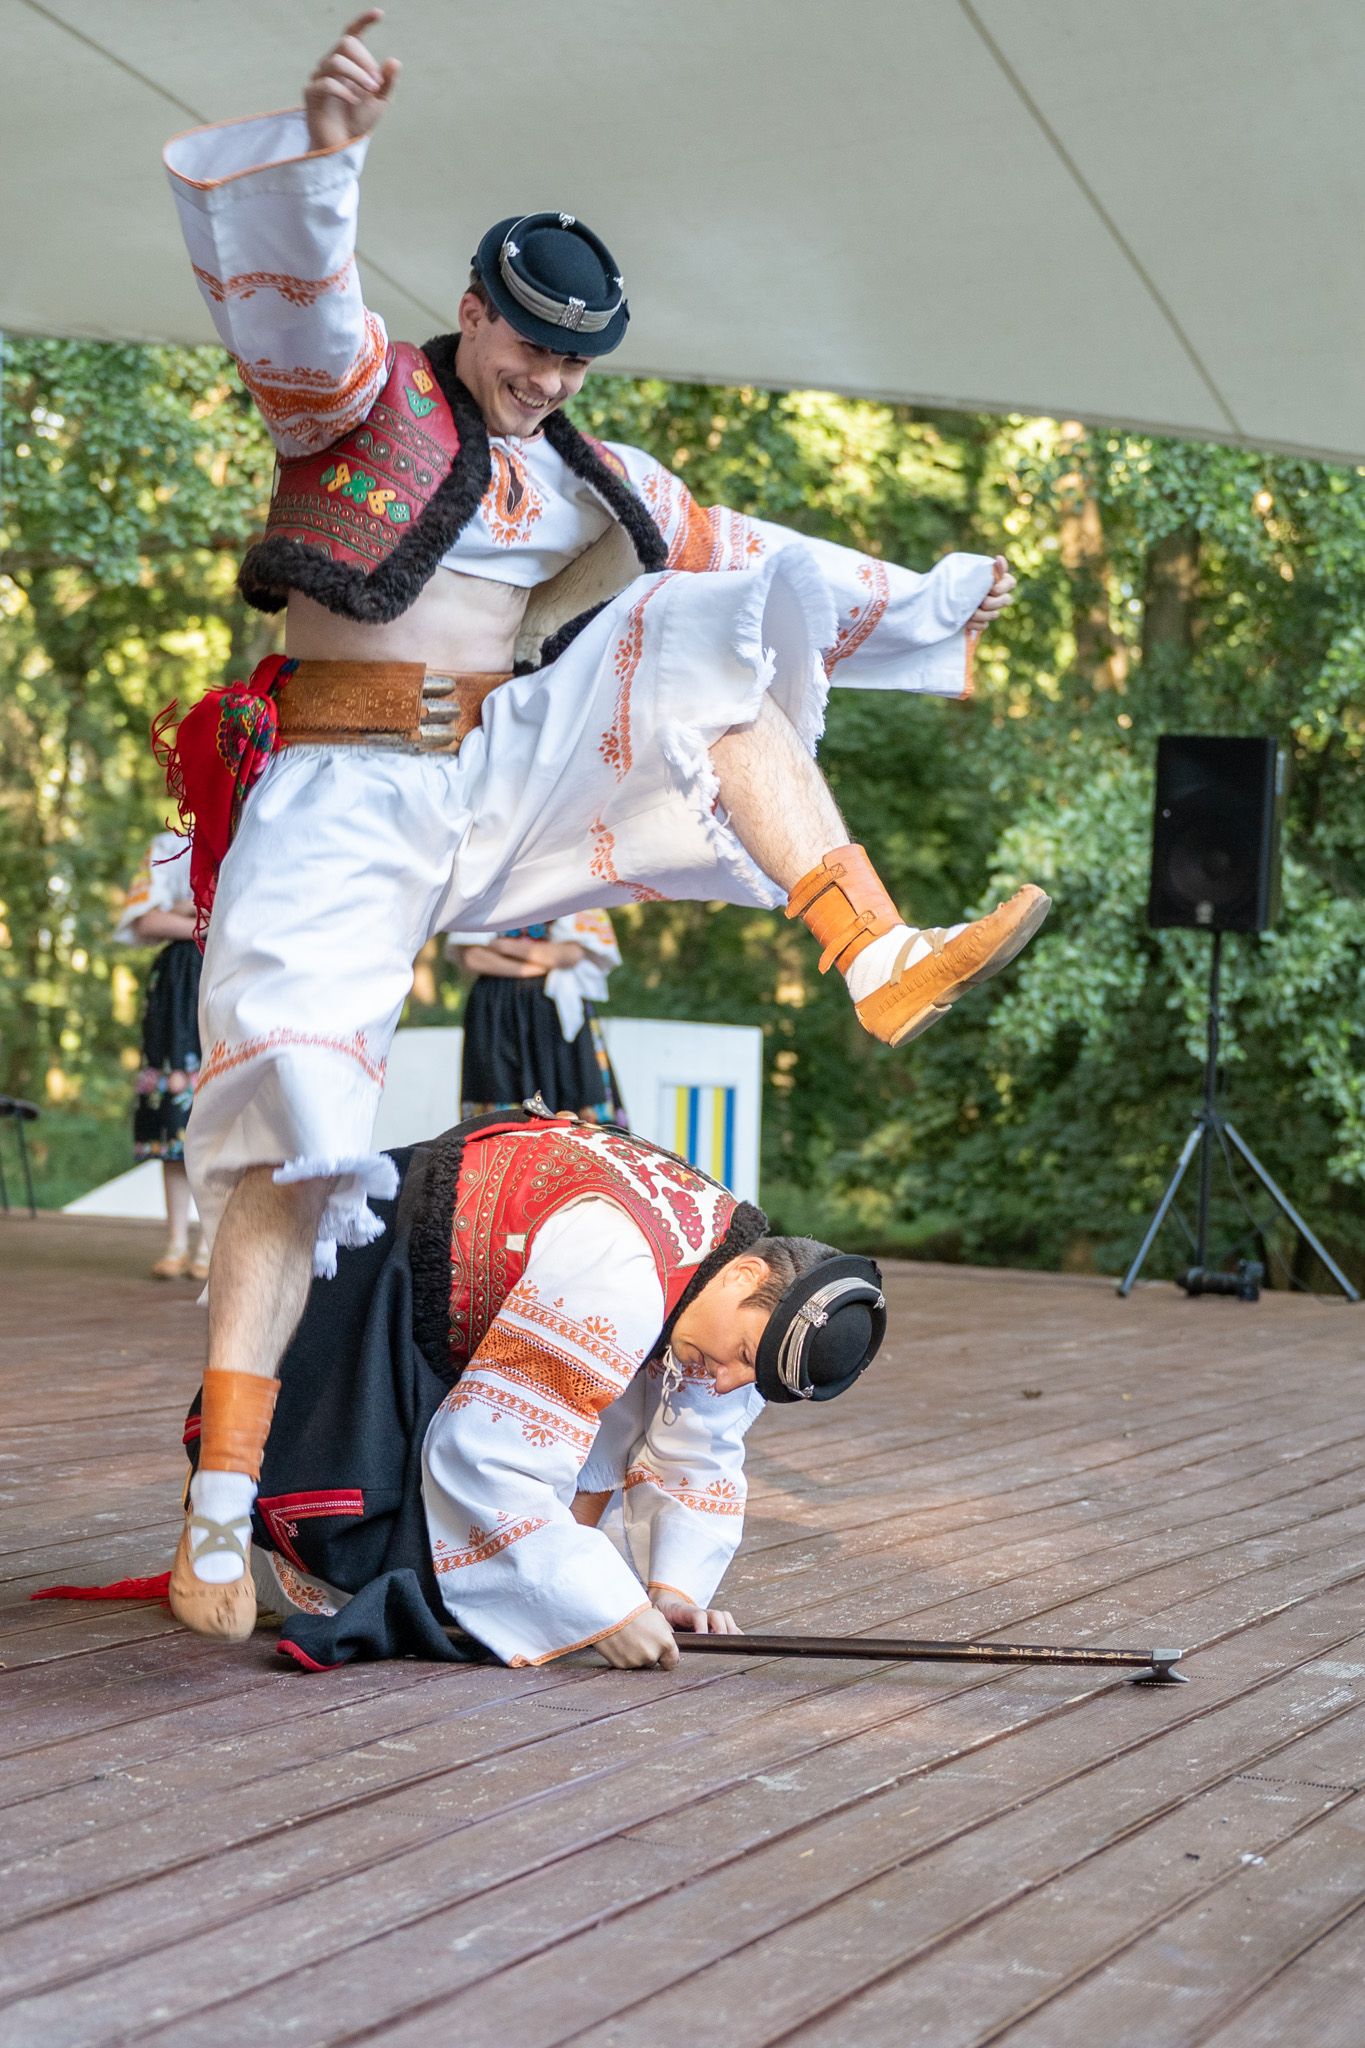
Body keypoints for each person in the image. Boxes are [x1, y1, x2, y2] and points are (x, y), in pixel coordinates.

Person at [157, 11, 1047, 1635]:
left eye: (576, 362)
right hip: (346, 789)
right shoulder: (361, 404)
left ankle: (874, 949)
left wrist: (933, 604)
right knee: (306, 1130)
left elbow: (767, 557)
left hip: (493, 777)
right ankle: (219, 1515)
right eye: (530, 349)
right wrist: (329, 157)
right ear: (476, 310)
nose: (549, 380)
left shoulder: (590, 469)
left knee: (718, 625)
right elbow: (299, 308)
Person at [171, 1103, 886, 1669]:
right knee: (383, 1566)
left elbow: (699, 1448)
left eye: (752, 1376)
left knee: (635, 1392)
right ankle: (225, 1523)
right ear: (746, 1275)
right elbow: (485, 1457)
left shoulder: (728, 1278)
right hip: (391, 1276)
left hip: (510, 1299)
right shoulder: (621, 1272)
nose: (727, 1381)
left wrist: (671, 1595)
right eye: (744, 1356)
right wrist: (600, 1608)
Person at [113, 833, 208, 1280]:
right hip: (179, 984)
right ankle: (176, 1241)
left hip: (228, 975)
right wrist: (202, 922)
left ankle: (210, 1242)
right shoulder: (167, 845)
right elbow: (144, 922)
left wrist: (182, 913)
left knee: (224, 1116)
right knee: (175, 1115)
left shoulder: (250, 833)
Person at [449, 908, 626, 1123]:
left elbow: (570, 954)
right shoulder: (484, 891)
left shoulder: (568, 891)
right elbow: (474, 958)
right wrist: (541, 965)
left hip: (554, 1010)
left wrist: (503, 946)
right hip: (497, 1011)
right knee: (497, 1091)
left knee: (572, 1092)